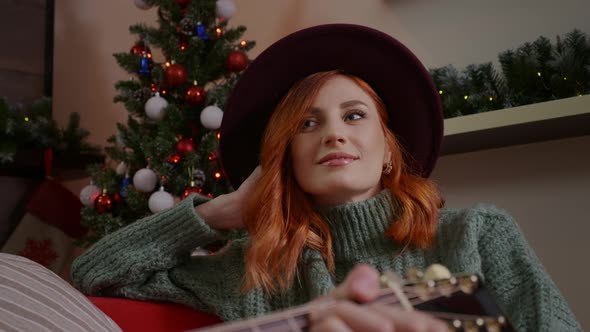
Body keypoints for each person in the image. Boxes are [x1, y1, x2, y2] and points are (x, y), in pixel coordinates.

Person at [72, 24, 581, 331]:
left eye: (355, 116)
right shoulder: (255, 273)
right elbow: (95, 274)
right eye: (307, 124)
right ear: (286, 158)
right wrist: (218, 213)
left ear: (388, 153)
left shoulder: (475, 234)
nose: (333, 134)